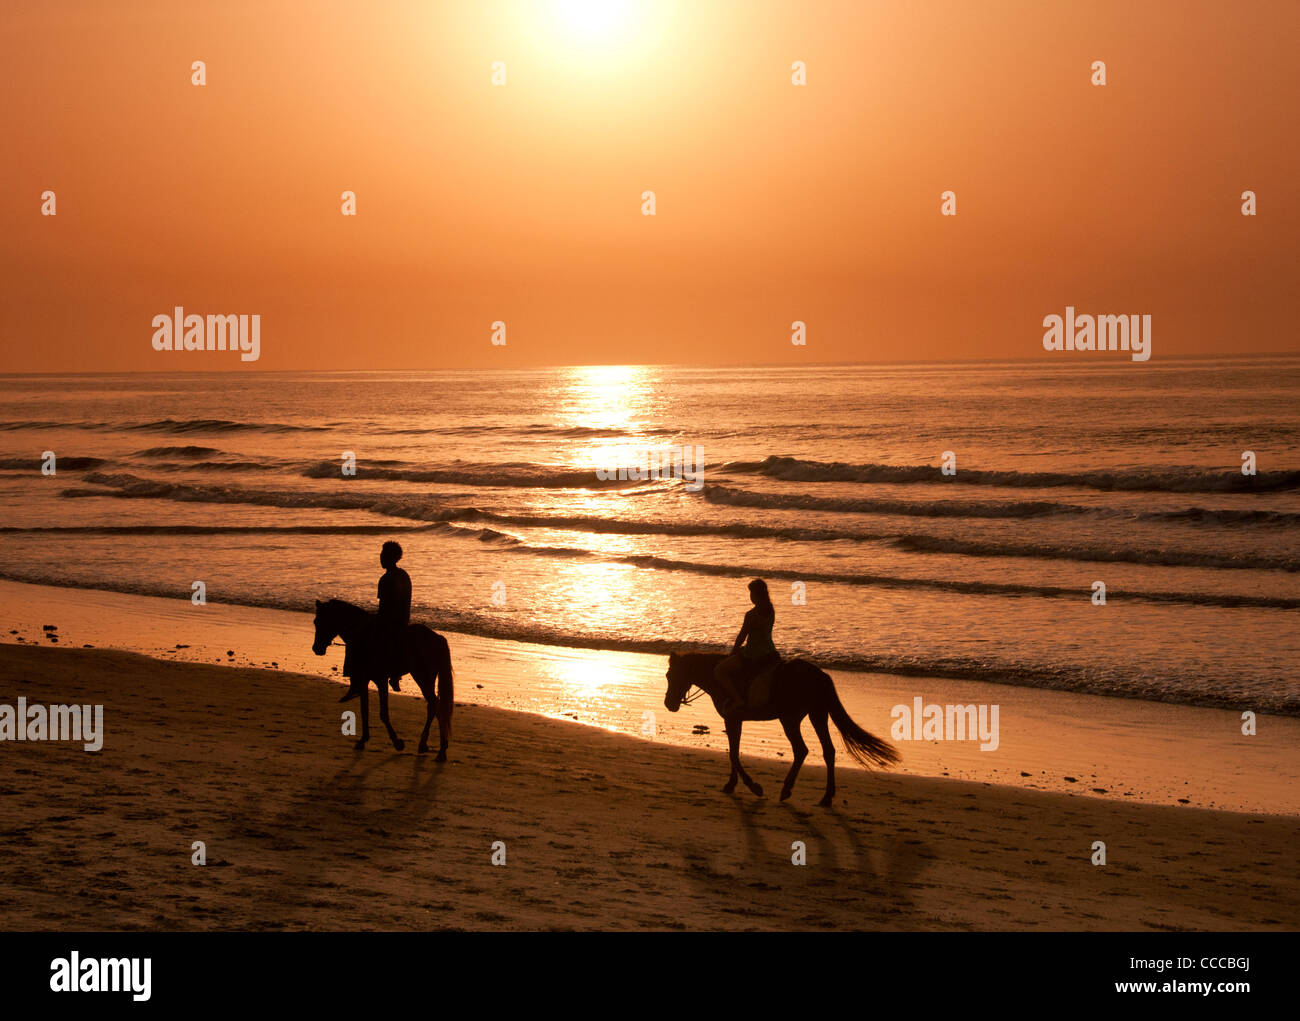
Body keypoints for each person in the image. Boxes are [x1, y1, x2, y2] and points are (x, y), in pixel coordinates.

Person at [339, 541, 412, 703]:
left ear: (388, 557)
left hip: (389, 621)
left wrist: (372, 617)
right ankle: (395, 676)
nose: (380, 558)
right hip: (403, 620)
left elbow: (385, 608)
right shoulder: (404, 575)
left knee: (354, 641)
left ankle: (355, 683)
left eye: (382, 555)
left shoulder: (386, 579)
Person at [713, 579, 780, 714]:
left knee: (720, 670)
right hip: (770, 651)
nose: (750, 596)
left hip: (753, 654)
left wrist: (733, 652)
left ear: (756, 595)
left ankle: (738, 700)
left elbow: (742, 636)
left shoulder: (751, 614)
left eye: (751, 593)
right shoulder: (771, 610)